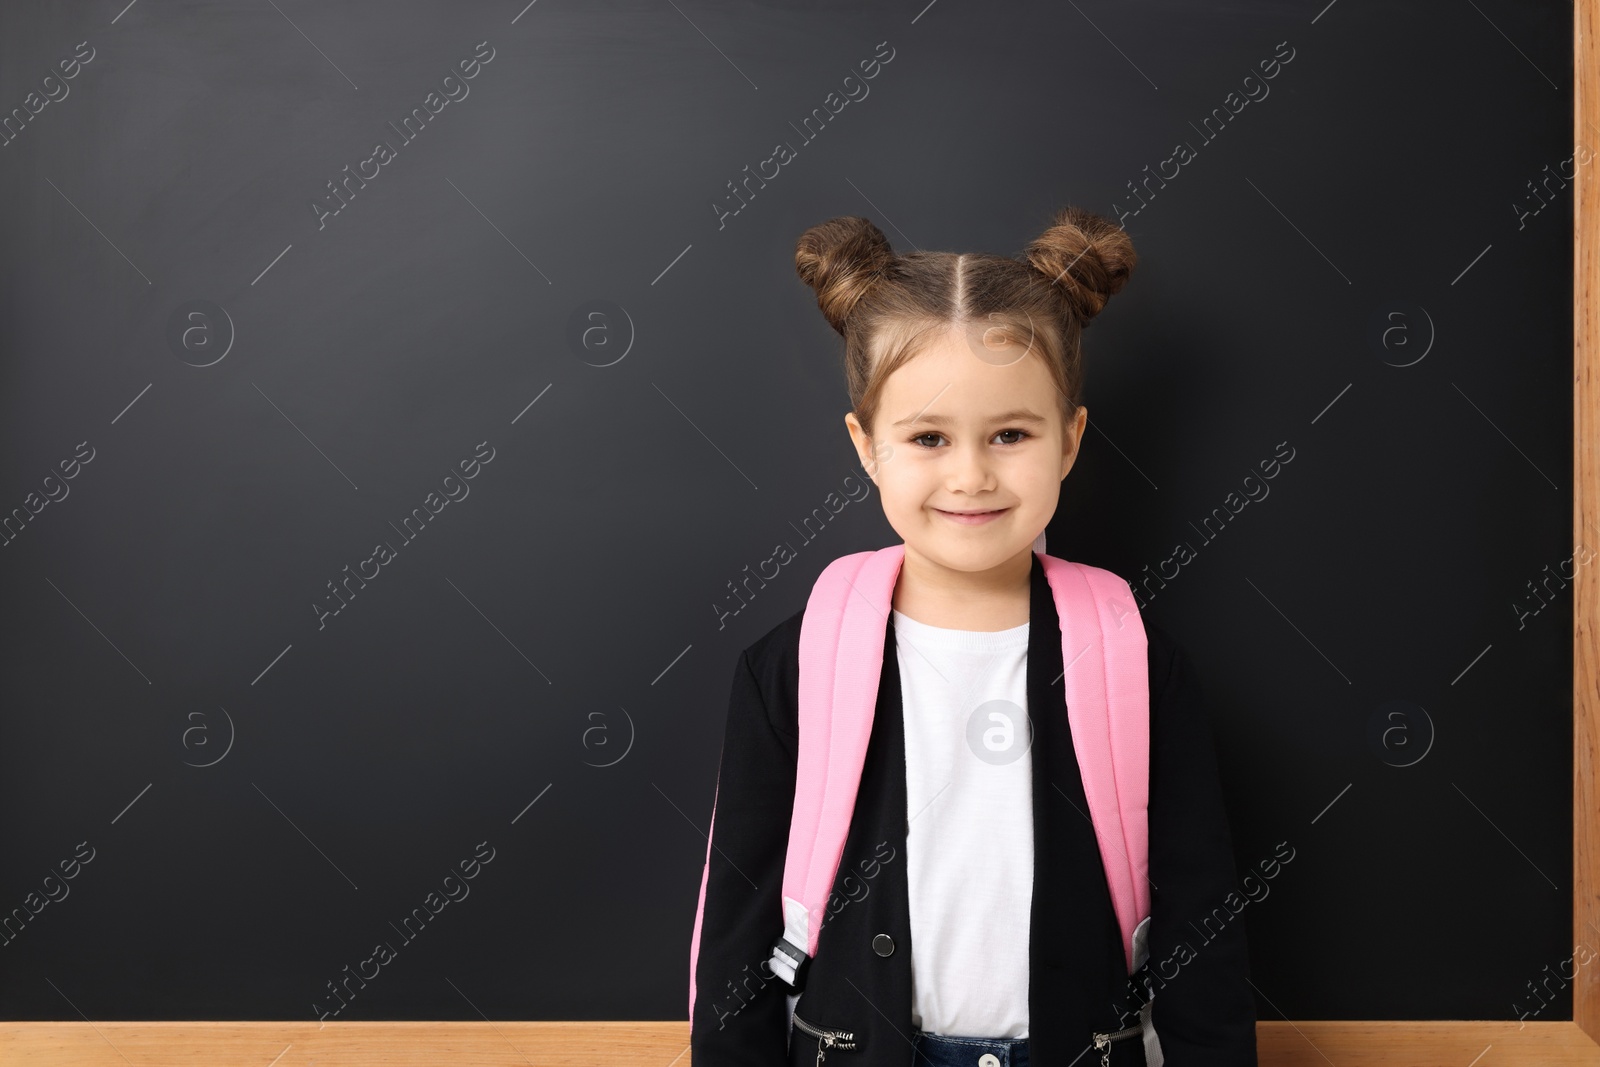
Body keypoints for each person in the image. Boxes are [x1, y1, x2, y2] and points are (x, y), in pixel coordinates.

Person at [688, 207, 1258, 1066]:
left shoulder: (1136, 664)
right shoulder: (793, 664)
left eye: (1010, 434)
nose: (970, 475)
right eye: (926, 437)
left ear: (1069, 440)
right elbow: (736, 927)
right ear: (867, 446)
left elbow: (1200, 932)